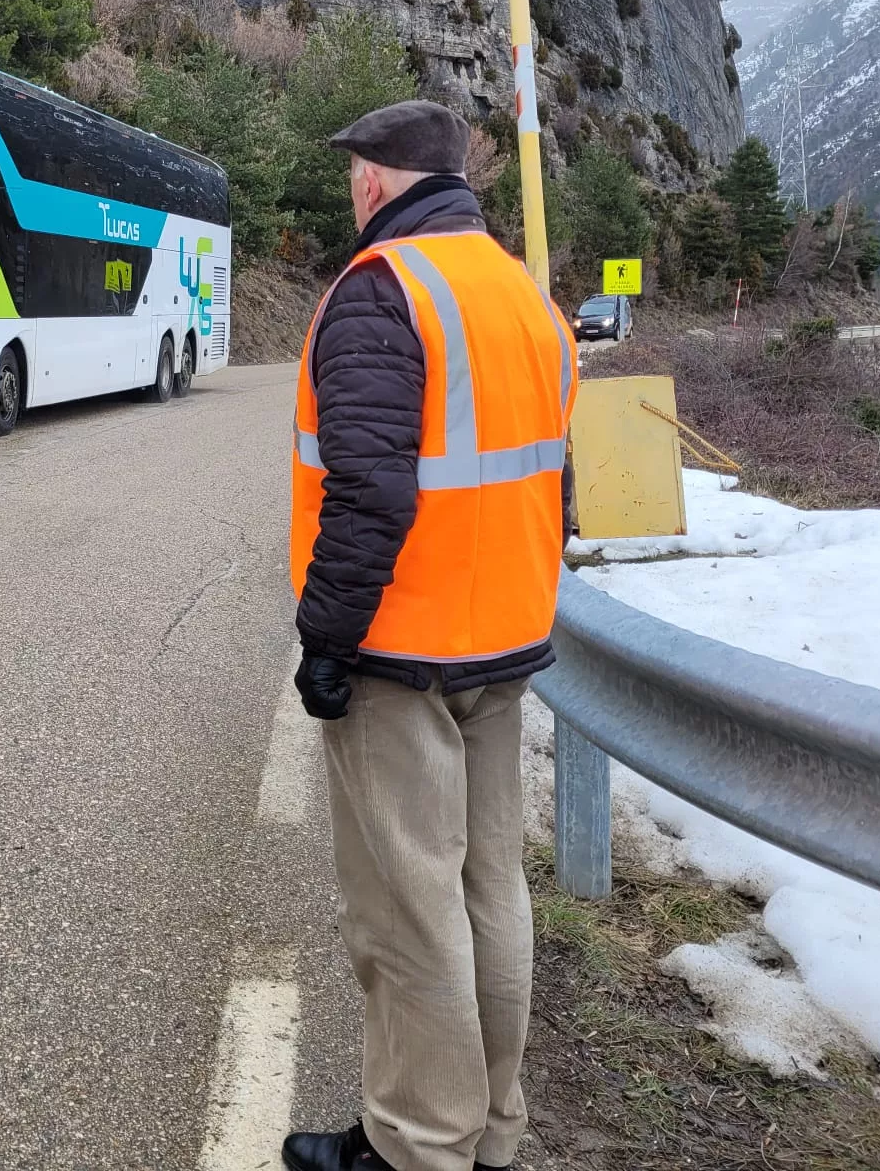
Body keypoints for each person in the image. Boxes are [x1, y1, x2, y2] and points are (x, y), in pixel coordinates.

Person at [282, 101, 576, 1171]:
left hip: (401, 650)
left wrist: (327, 640)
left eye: (352, 171)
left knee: (408, 915)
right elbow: (556, 474)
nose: (349, 189)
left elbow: (367, 490)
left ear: (375, 180)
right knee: (488, 890)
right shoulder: (523, 295)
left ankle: (416, 1147)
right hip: (504, 639)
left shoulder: (382, 293)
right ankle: (491, 1131)